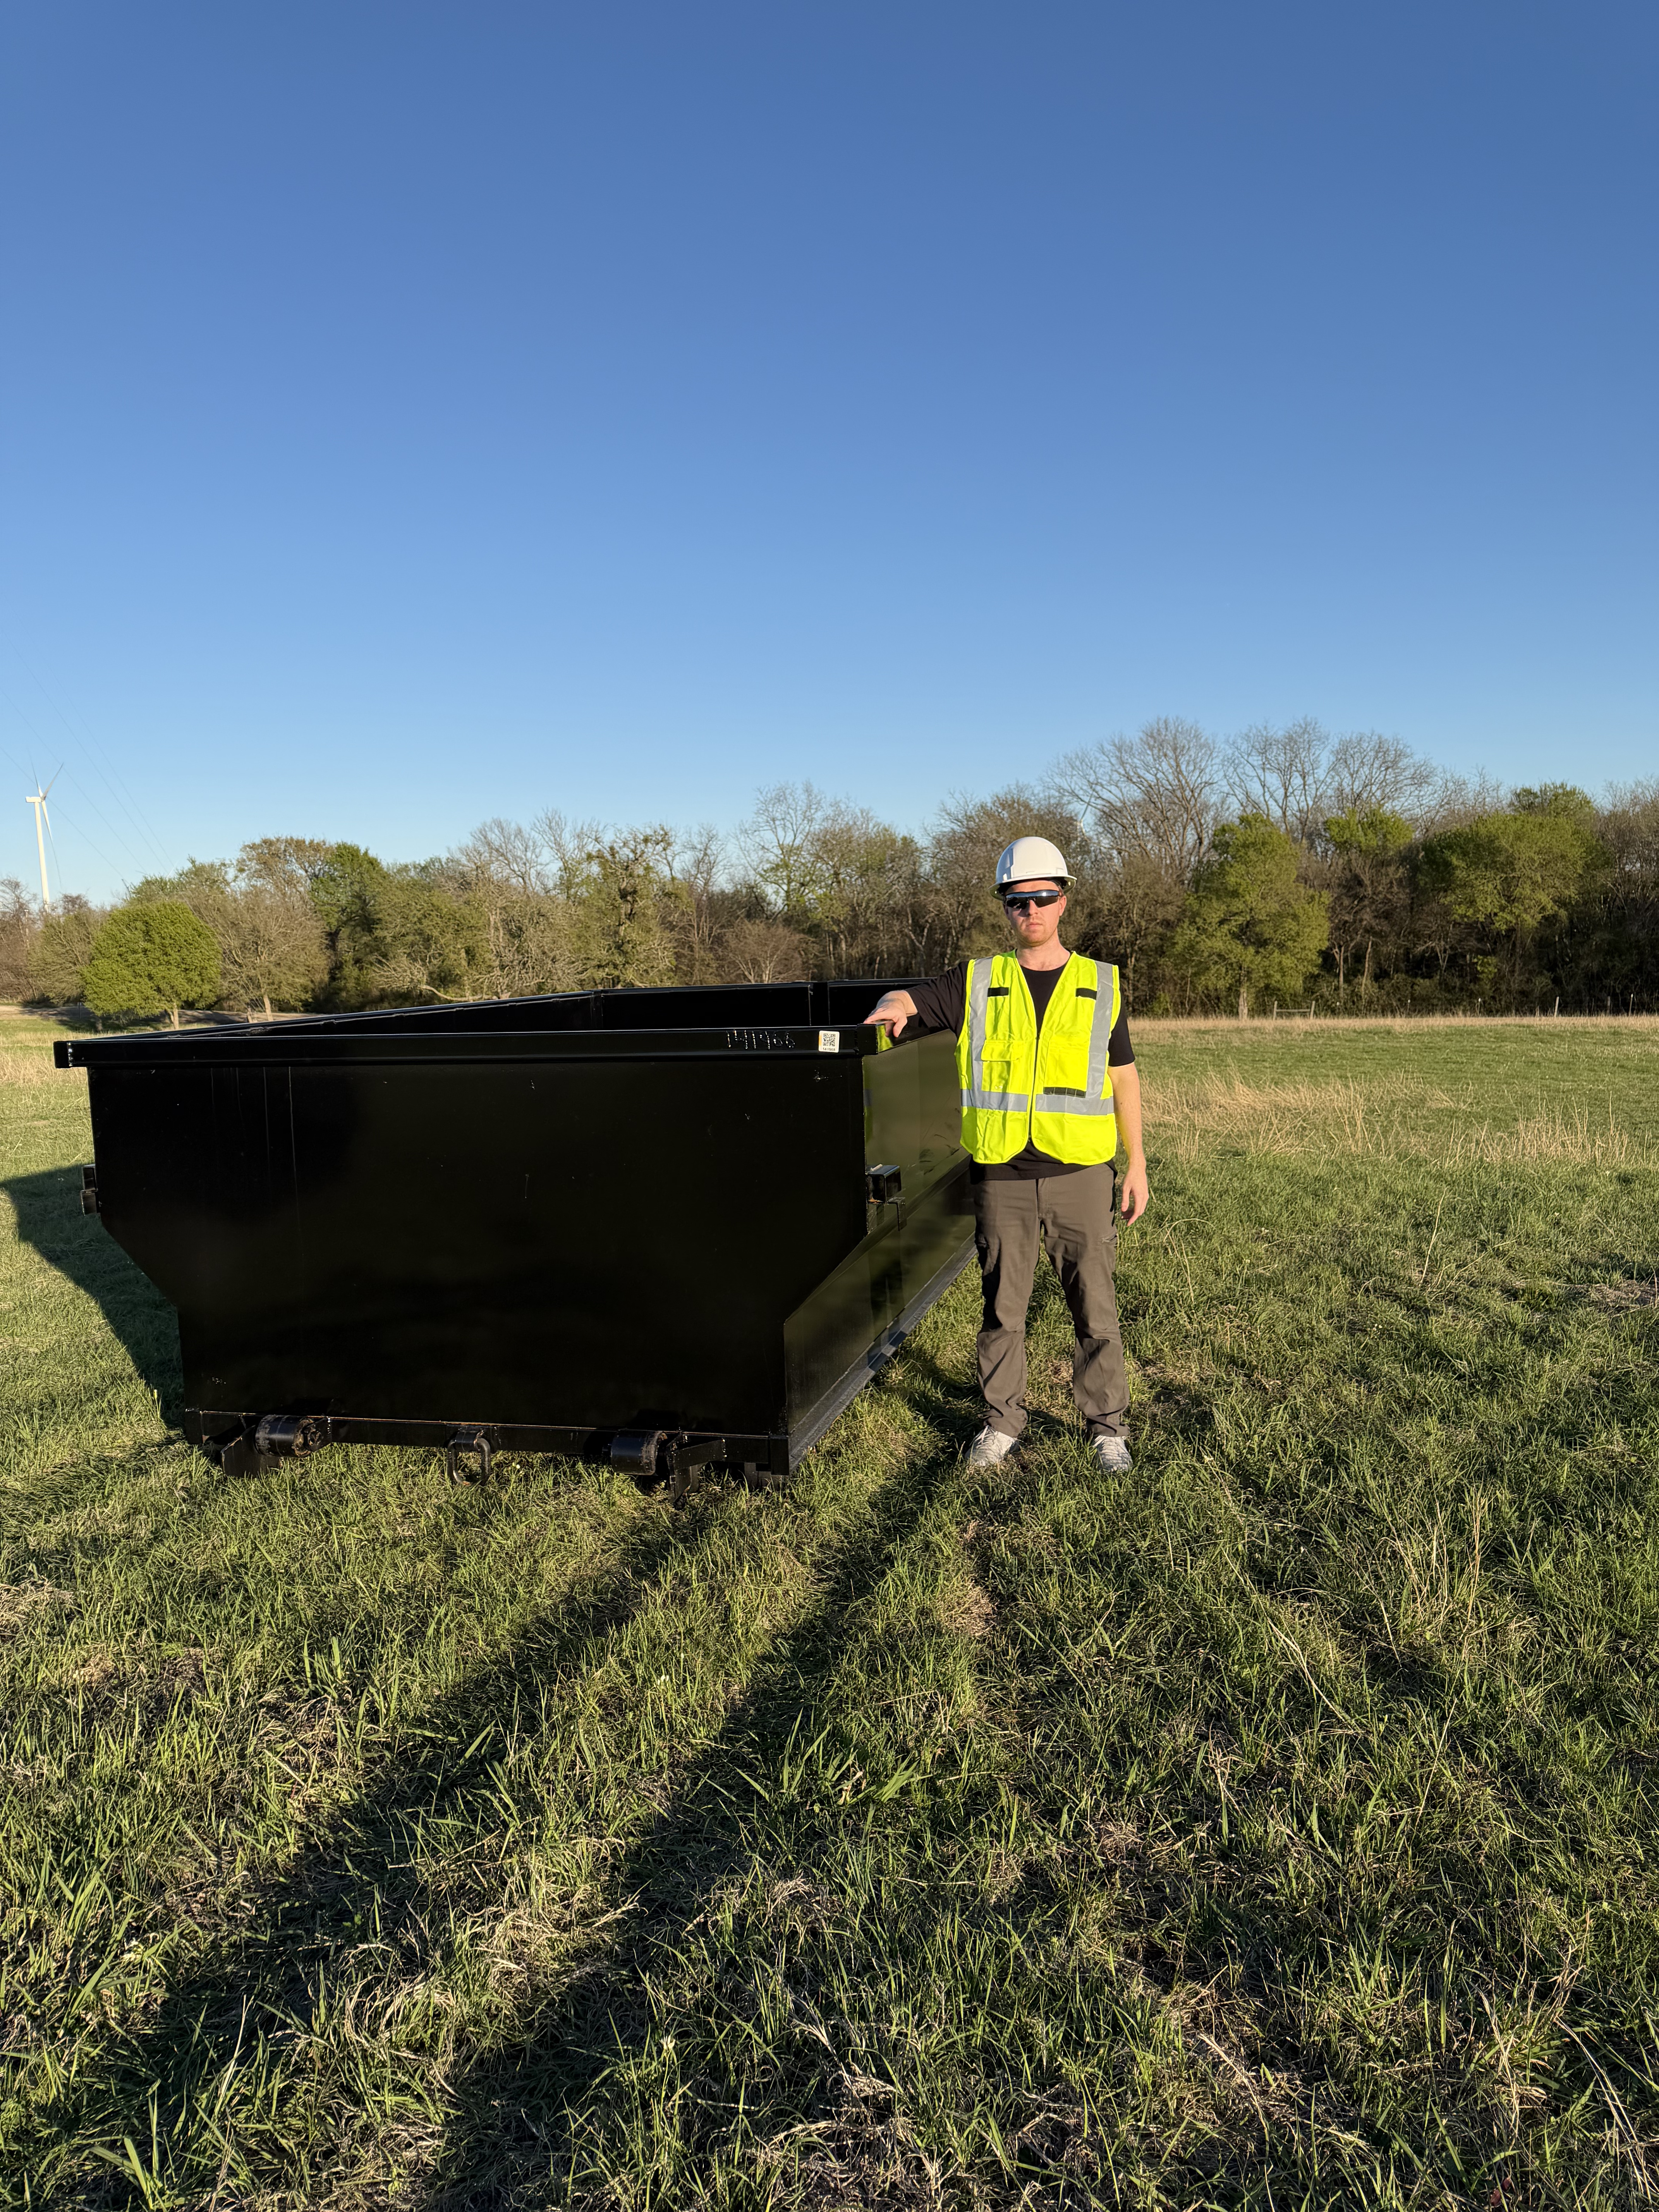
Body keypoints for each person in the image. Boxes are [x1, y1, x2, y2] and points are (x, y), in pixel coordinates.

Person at [864, 836, 1149, 1471]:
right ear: (1005, 908)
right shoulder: (976, 980)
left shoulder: (1101, 984)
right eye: (1019, 902)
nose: (1032, 911)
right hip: (1003, 1178)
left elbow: (1124, 1077)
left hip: (1081, 1173)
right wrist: (889, 1008)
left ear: (1063, 901)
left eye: (1044, 898)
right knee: (1003, 1311)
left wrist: (1137, 1165)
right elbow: (912, 1001)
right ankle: (1002, 1423)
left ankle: (1108, 1429)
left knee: (1095, 1310)